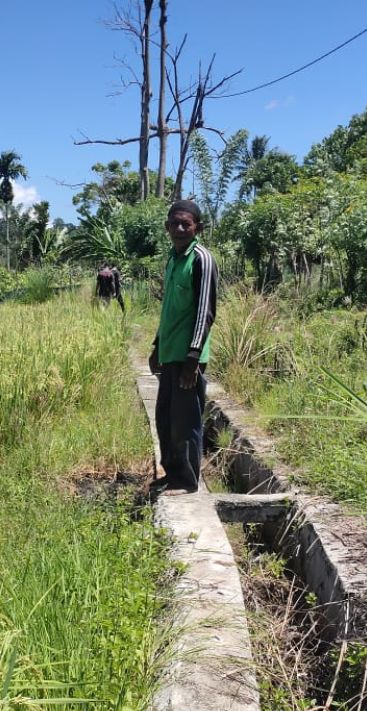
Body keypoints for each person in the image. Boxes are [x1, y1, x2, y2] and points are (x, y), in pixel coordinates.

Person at [149, 199, 217, 493]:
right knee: (165, 417)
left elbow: (205, 311)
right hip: (169, 352)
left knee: (186, 421)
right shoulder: (172, 258)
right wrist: (156, 345)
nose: (179, 228)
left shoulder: (201, 259)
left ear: (197, 228)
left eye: (185, 224)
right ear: (167, 227)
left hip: (189, 357)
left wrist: (193, 358)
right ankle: (172, 472)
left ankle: (187, 480)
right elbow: (168, 309)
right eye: (174, 223)